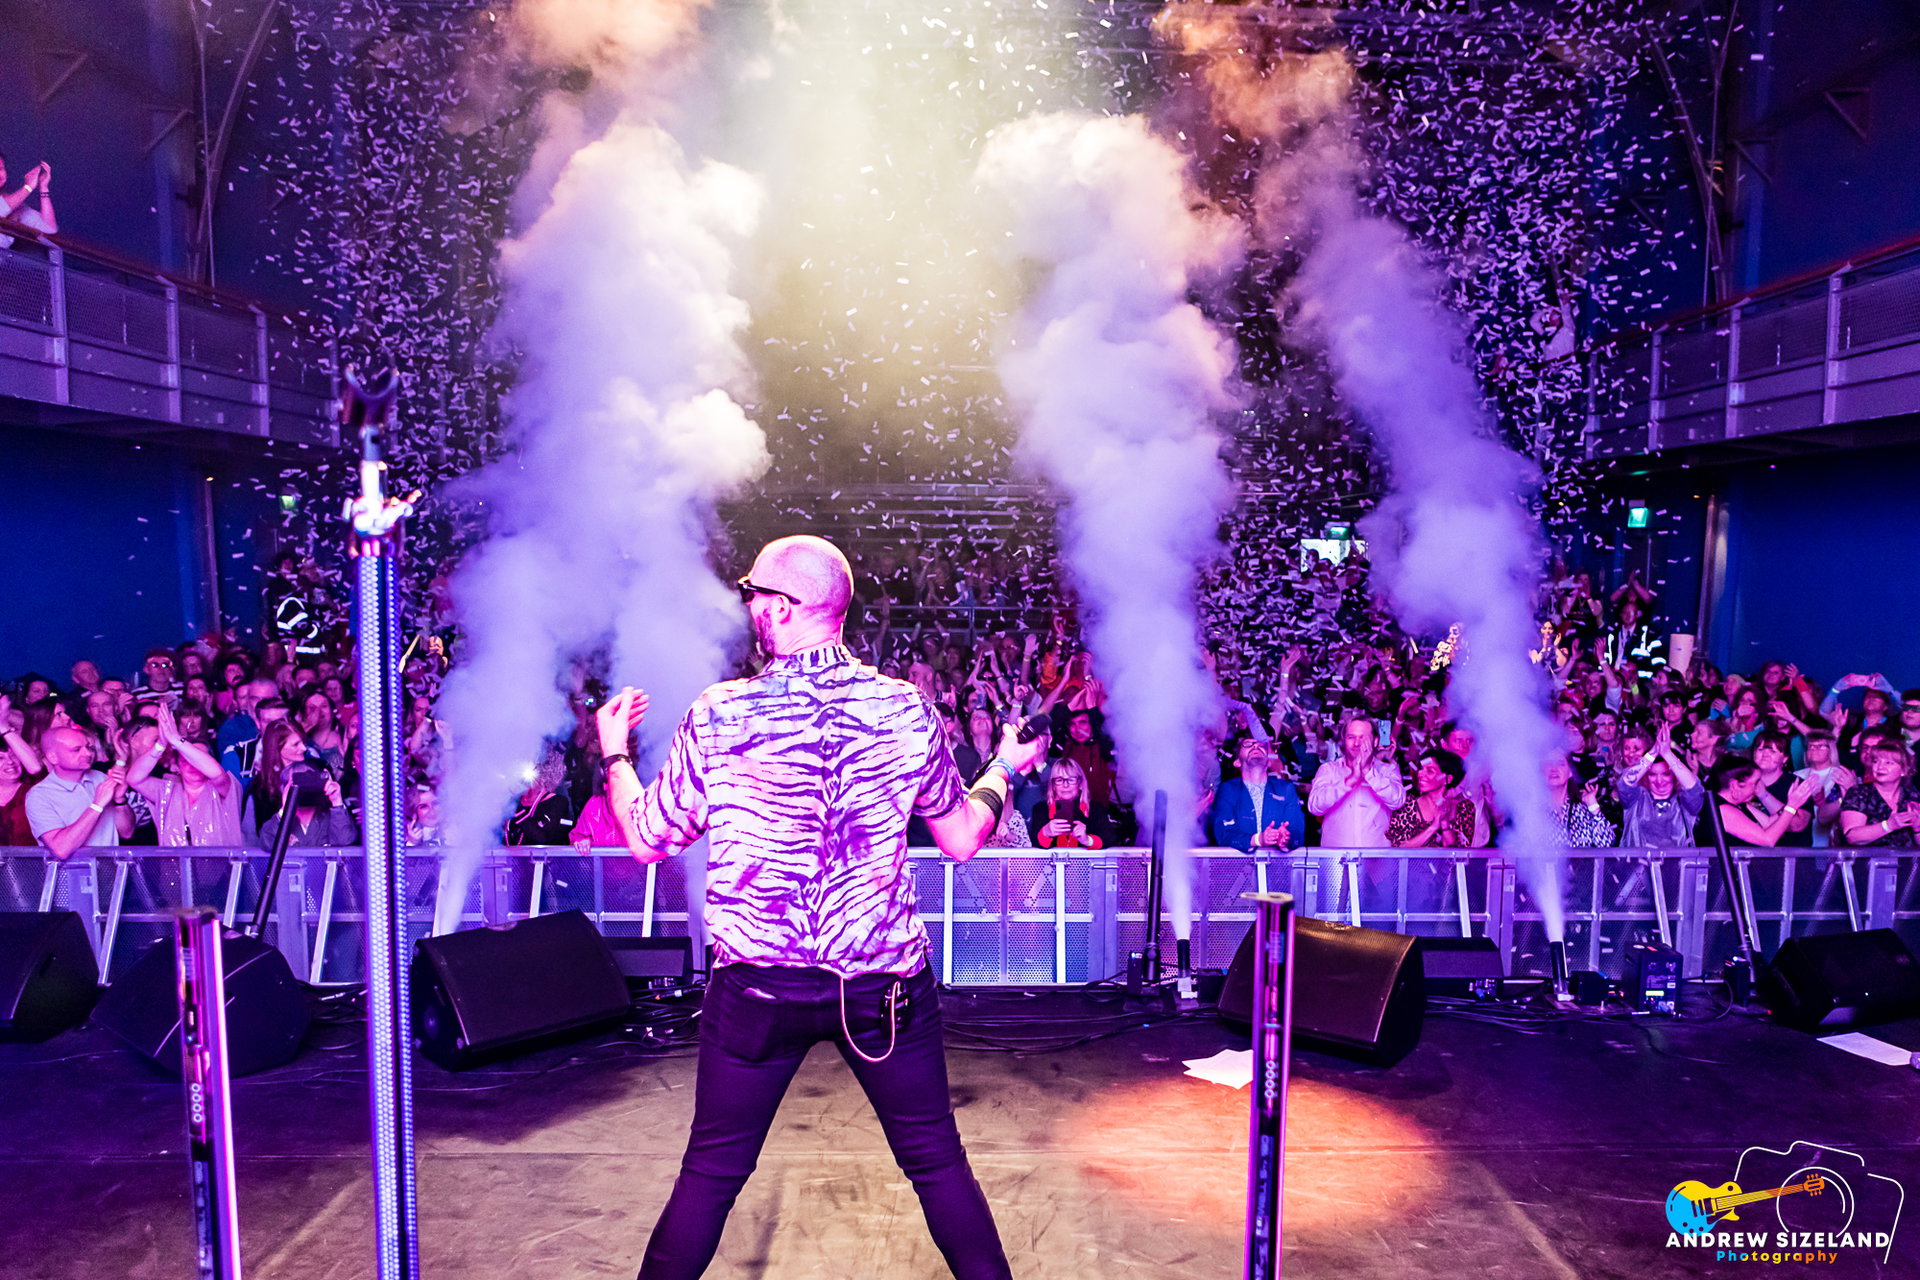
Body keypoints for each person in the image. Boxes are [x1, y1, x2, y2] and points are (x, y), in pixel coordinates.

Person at [598, 534, 1044, 1280]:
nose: (748, 608)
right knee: (937, 1164)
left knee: (710, 1175)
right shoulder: (904, 709)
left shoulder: (722, 712)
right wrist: (1003, 764)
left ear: (783, 607)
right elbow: (964, 836)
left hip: (757, 990)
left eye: (754, 596)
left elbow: (645, 840)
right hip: (880, 990)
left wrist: (614, 752)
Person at [125, 703, 245, 847]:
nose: (193, 765)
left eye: (198, 759)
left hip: (218, 862)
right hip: (174, 862)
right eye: (186, 760)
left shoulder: (223, 789)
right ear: (178, 765)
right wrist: (160, 745)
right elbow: (134, 779)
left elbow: (217, 774)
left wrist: (177, 740)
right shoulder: (167, 792)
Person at [25, 726, 133, 858]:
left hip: (111, 868)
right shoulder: (39, 795)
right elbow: (61, 849)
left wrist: (120, 800)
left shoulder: (100, 778)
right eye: (76, 749)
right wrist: (97, 805)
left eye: (88, 747)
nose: (87, 754)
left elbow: (127, 833)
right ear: (53, 757)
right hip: (73, 871)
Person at [1307, 713, 1406, 848]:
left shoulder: (1387, 770)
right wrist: (1351, 780)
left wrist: (1368, 772)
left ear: (1375, 741)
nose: (1357, 743)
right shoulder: (1328, 770)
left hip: (1377, 856)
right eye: (1351, 737)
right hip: (1335, 856)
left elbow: (1397, 801)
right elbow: (1314, 807)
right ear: (1344, 740)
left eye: (1362, 738)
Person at [1210, 736, 1305, 853]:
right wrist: (1257, 839)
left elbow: (1297, 832)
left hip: (1277, 863)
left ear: (1269, 762)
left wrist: (1286, 838)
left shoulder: (1285, 789)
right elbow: (1223, 834)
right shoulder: (1229, 790)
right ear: (1237, 762)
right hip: (1240, 864)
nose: (1256, 746)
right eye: (1248, 744)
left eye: (1261, 746)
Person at [1616, 726, 1705, 847]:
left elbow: (1693, 788)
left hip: (1679, 859)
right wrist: (1654, 751)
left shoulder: (1684, 802)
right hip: (1636, 859)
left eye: (1666, 774)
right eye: (1652, 774)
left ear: (1674, 776)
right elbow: (1625, 783)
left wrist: (1667, 754)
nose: (1659, 781)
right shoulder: (1636, 798)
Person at [1707, 761, 1816, 849]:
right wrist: (1791, 807)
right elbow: (1768, 840)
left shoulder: (1741, 805)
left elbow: (1768, 823)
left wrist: (1792, 804)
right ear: (1735, 785)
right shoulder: (1722, 810)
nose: (1757, 789)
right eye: (1755, 783)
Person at [1838, 742, 1920, 850]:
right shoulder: (1859, 793)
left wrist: (1917, 828)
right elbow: (1851, 836)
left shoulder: (1912, 795)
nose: (1880, 767)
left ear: (1903, 770)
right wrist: (1888, 825)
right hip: (1868, 860)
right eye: (1876, 761)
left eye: (1888, 763)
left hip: (1904, 860)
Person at [1386, 749, 1475, 848]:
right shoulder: (1407, 805)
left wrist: (1444, 824)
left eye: (1429, 771)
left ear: (1447, 779)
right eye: (1421, 769)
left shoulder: (1463, 808)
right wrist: (1433, 827)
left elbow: (1460, 851)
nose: (1420, 774)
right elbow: (1399, 849)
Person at [1030, 755, 1110, 850]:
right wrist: (1045, 833)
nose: (1065, 785)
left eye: (1071, 779)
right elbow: (1033, 845)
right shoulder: (1041, 809)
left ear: (1080, 784)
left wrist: (1087, 840)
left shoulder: (1095, 809)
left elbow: (1109, 840)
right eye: (1059, 780)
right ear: (1053, 785)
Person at [1544, 753, 1615, 847]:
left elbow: (1606, 843)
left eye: (1560, 764)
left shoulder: (1582, 810)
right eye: (1549, 764)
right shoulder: (1534, 812)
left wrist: (1593, 805)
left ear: (1570, 772)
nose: (1554, 769)